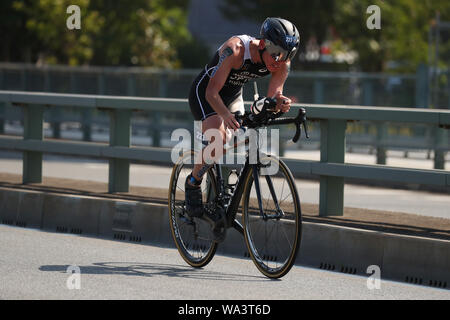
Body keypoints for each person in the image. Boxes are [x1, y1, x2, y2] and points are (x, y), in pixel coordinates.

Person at [185, 17, 300, 231]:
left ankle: (224, 187)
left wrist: (279, 103)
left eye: (286, 56)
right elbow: (211, 93)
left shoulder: (281, 64)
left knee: (244, 135)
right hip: (207, 93)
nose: (279, 60)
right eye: (276, 53)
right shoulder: (235, 50)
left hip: (233, 95)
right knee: (218, 140)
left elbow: (273, 96)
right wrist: (225, 115)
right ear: (263, 43)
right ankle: (193, 182)